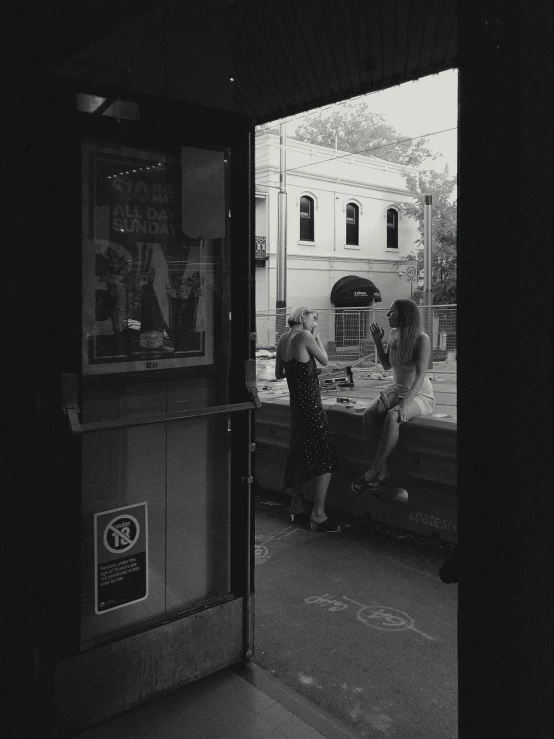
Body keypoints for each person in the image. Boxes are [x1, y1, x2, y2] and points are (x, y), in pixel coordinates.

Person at [351, 298, 435, 493]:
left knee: (392, 417)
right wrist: (378, 342)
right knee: (369, 414)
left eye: (392, 312)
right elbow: (387, 365)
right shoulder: (394, 334)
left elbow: (421, 376)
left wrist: (405, 404)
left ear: (403, 315)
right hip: (397, 388)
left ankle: (373, 471)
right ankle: (383, 470)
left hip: (419, 394)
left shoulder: (422, 338)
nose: (387, 315)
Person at [275, 306, 340, 532]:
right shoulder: (305, 335)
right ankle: (318, 514)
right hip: (311, 406)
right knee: (326, 454)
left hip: (296, 408)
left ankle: (296, 505)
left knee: (300, 452)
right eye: (314, 318)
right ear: (303, 316)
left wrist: (302, 373)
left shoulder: (283, 339)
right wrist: (318, 341)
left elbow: (279, 373)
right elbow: (324, 359)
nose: (314, 323)